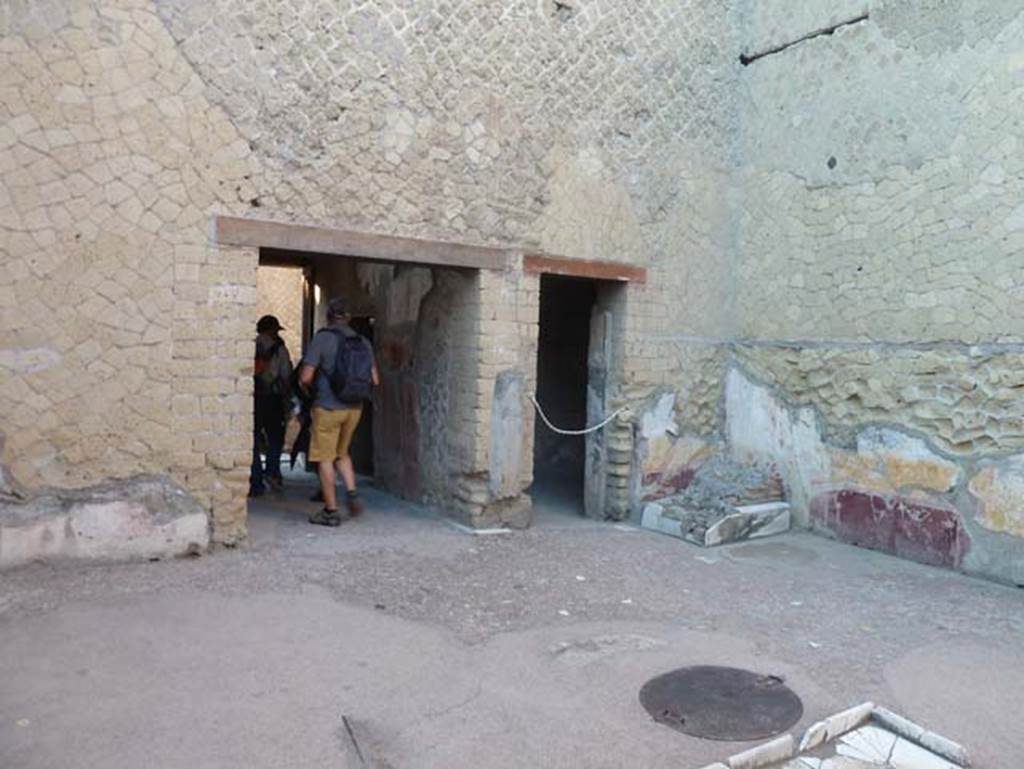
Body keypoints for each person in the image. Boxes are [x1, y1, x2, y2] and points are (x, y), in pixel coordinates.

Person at [299, 298, 379, 526]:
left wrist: (309, 389)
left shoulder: (322, 338)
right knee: (342, 453)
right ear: (349, 318)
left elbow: (306, 377)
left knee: (325, 458)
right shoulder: (362, 341)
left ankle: (330, 511)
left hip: (327, 407)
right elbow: (375, 379)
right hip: (354, 408)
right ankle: (352, 493)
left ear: (328, 316)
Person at [249, 314, 292, 497]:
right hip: (273, 398)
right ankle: (272, 472)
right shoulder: (280, 348)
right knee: (276, 439)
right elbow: (286, 374)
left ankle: (256, 482)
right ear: (272, 329)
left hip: (254, 397)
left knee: (253, 441)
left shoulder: (251, 344)